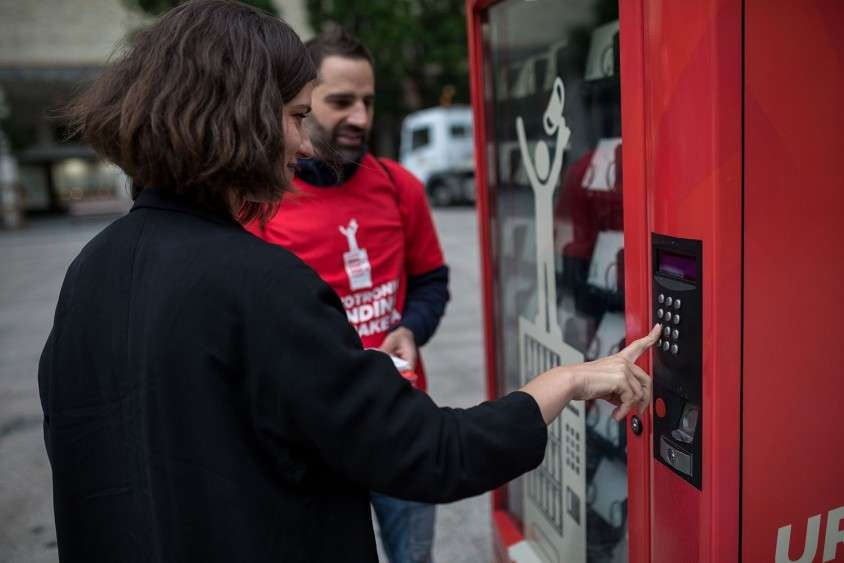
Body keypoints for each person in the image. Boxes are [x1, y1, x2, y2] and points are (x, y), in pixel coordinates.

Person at [37, 2, 659, 562]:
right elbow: (434, 454)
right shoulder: (261, 284)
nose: (302, 143)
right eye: (296, 116)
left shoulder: (90, 270)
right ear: (239, 119)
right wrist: (565, 380)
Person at [245, 28, 448, 563]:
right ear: (300, 102)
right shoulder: (259, 204)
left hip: (398, 419)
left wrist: (410, 328)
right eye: (340, 101)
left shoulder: (399, 186)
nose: (360, 117)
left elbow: (431, 281)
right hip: (312, 439)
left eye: (368, 102)